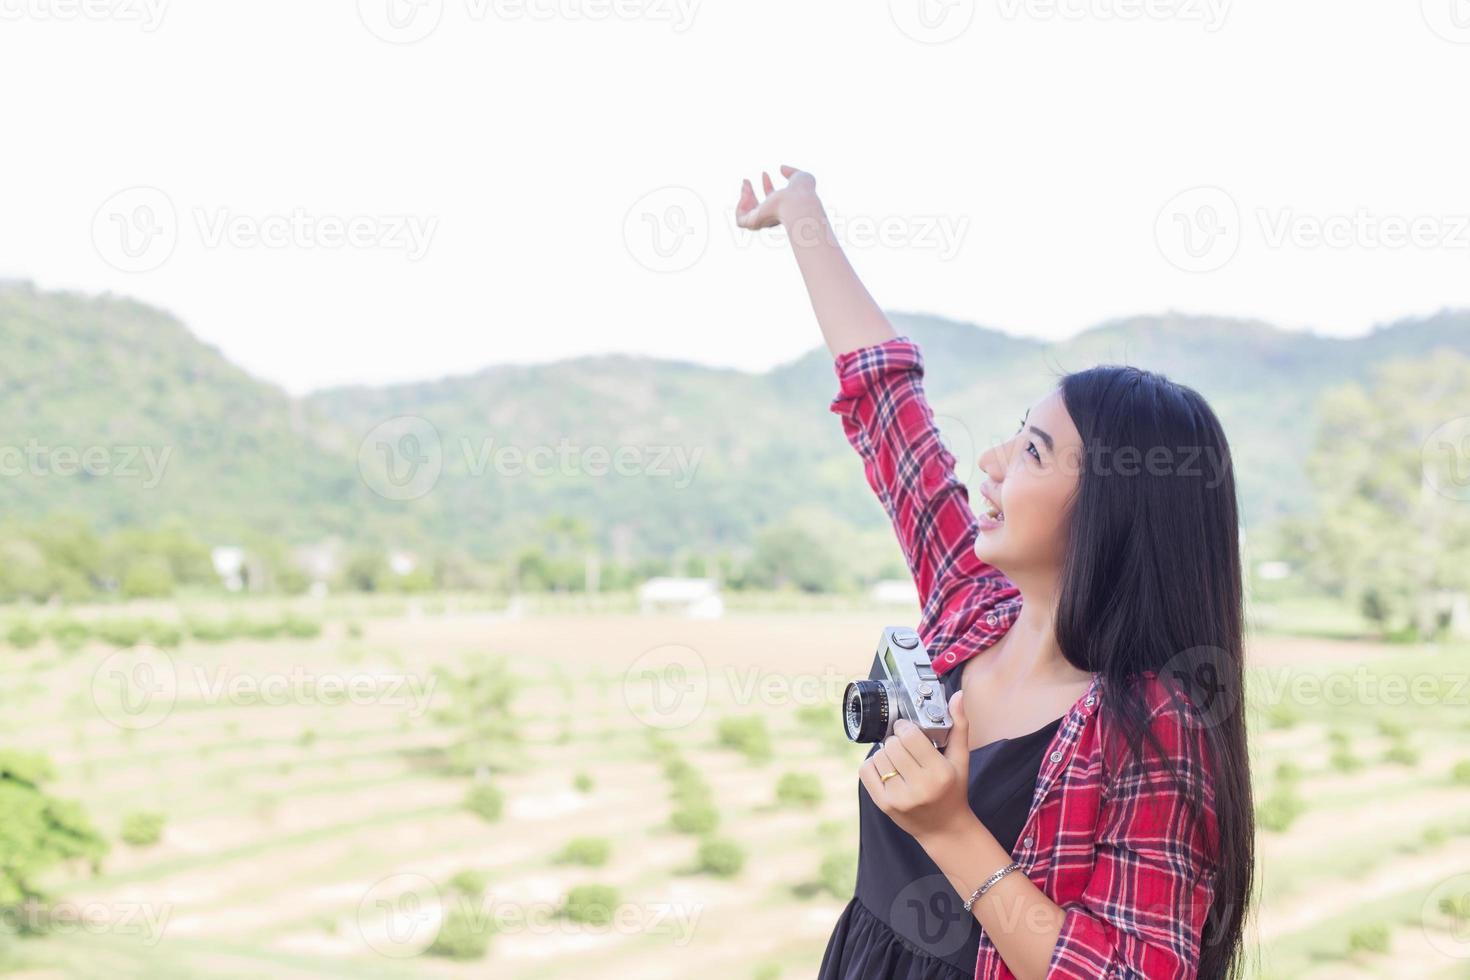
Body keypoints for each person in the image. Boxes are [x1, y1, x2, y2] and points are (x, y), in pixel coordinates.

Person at [735, 166, 1254, 980]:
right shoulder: (972, 607)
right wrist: (802, 214)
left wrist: (949, 829)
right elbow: (888, 409)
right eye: (1017, 434)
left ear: (1113, 512)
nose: (992, 462)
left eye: (1034, 451)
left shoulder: (1152, 726)